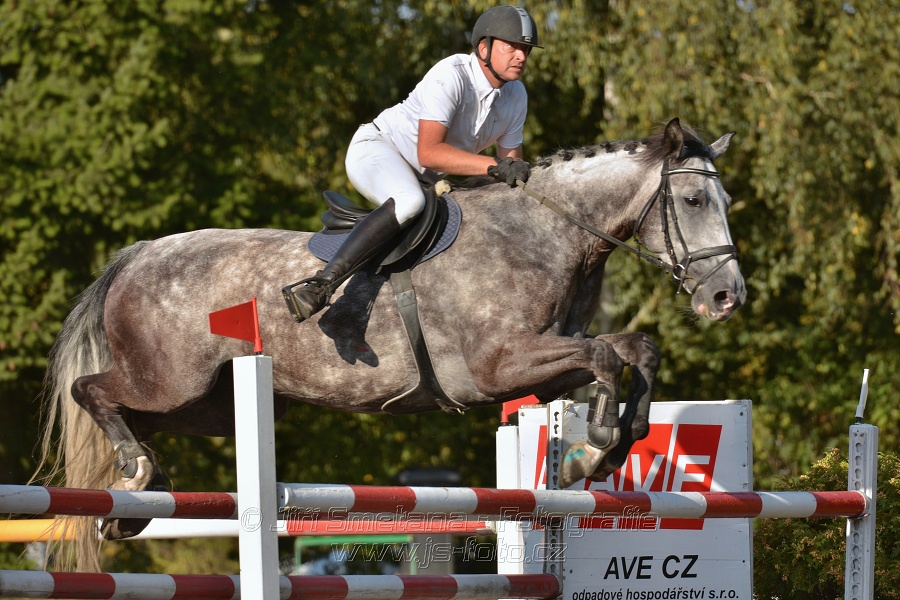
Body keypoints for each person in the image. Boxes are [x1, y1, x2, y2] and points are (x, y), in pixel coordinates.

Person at [283, 5, 541, 323]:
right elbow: (429, 153)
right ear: (484, 47)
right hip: (378, 151)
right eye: (512, 46)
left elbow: (508, 168)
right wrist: (493, 165)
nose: (521, 56)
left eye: (526, 49)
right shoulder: (452, 74)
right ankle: (319, 286)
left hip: (426, 178)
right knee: (409, 202)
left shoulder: (517, 95)